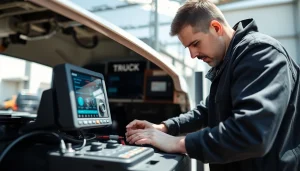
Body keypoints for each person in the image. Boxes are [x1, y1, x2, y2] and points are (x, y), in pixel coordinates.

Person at [125, 0, 300, 170]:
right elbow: (208, 110)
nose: (192, 54)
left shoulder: (260, 53)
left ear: (216, 28)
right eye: (188, 48)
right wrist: (164, 127)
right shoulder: (229, 61)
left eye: (195, 43)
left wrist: (177, 143)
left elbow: (252, 133)